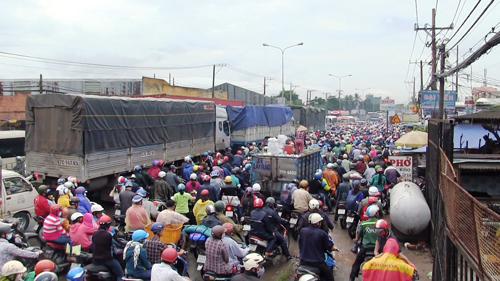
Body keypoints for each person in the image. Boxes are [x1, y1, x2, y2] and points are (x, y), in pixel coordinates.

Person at [298, 213, 335, 281]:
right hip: (318, 262)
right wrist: (334, 248)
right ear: (318, 223)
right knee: (330, 278)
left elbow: (300, 243)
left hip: (303, 261)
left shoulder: (303, 231)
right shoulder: (322, 233)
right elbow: (329, 246)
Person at [349, 205, 380, 281]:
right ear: (376, 213)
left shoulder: (363, 224)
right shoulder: (380, 223)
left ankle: (351, 278)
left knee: (357, 263)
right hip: (378, 249)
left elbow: (360, 235)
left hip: (365, 248)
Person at [93, 215, 124, 281]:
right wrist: (127, 244)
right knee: (120, 274)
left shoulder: (95, 234)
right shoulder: (109, 235)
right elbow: (119, 244)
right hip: (107, 259)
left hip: (95, 259)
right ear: (109, 224)